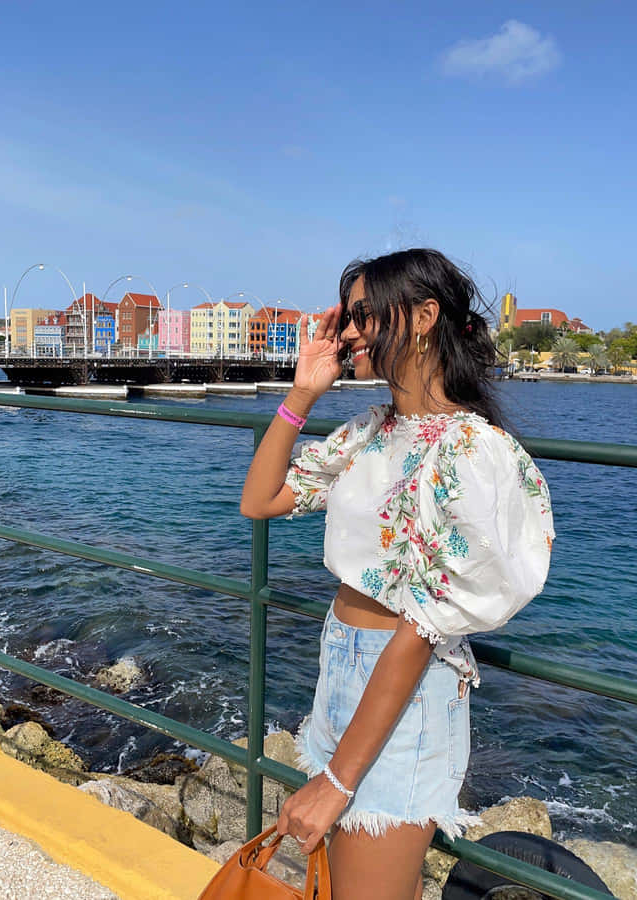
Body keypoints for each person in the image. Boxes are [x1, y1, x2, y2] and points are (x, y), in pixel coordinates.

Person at [240, 249, 554, 900]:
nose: (348, 331)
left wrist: (338, 780)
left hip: (404, 690)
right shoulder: (373, 431)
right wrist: (303, 391)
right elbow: (261, 500)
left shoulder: (472, 450)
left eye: (363, 315)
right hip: (342, 666)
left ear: (421, 318)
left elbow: (423, 625)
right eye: (348, 316)